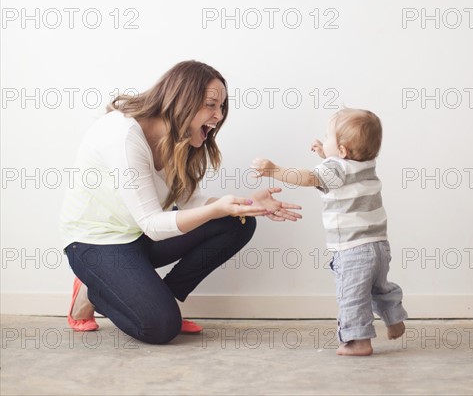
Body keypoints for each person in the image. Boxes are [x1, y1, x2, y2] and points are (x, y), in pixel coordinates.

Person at [60, 60, 302, 345]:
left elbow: (190, 201)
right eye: (211, 104)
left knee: (238, 221)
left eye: (222, 106)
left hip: (136, 237)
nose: (218, 115)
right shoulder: (122, 136)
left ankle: (161, 296)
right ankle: (97, 290)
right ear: (181, 98)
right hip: (96, 244)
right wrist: (217, 208)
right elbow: (153, 224)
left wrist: (248, 203)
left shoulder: (177, 137)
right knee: (161, 328)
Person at [252, 108, 407, 356]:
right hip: (379, 246)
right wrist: (326, 153)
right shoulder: (366, 165)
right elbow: (341, 169)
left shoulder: (336, 168)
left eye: (327, 137)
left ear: (343, 151)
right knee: (379, 287)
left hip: (352, 249)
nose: (323, 139)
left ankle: (358, 342)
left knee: (352, 296)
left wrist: (275, 171)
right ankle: (394, 318)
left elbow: (309, 177)